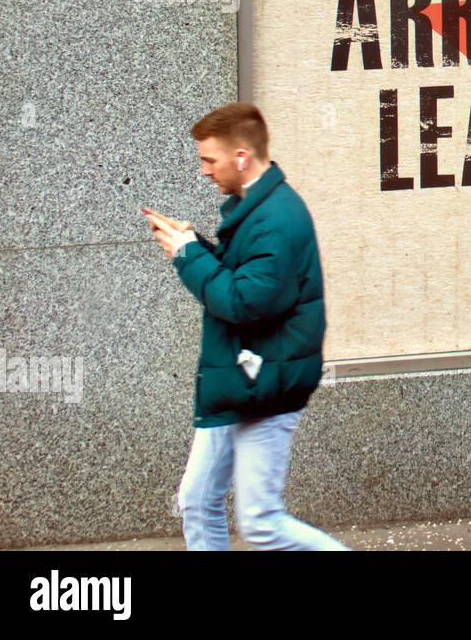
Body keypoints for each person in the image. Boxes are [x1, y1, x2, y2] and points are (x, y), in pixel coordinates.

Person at [143, 101, 350, 551]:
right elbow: (246, 280)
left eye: (209, 160)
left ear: (240, 157)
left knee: (260, 522)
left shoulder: (276, 218)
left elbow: (245, 303)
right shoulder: (256, 208)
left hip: (263, 385)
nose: (204, 171)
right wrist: (192, 244)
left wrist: (187, 255)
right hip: (241, 380)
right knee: (197, 500)